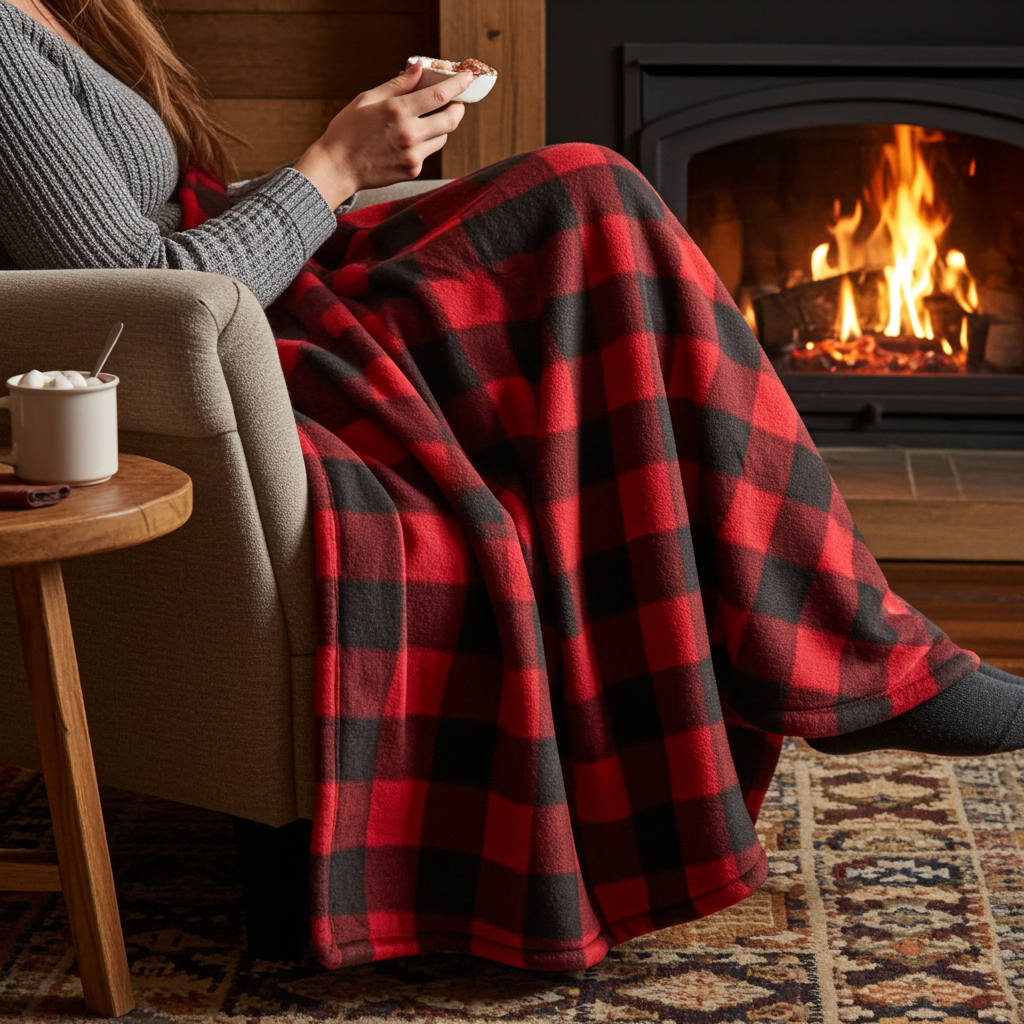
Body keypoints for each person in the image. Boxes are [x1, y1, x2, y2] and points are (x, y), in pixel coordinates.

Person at [3, 0, 1024, 971]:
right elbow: (147, 294)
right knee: (588, 193)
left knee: (591, 193)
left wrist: (355, 162)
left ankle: (833, 646)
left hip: (262, 318)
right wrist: (332, 165)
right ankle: (846, 655)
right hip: (223, 364)